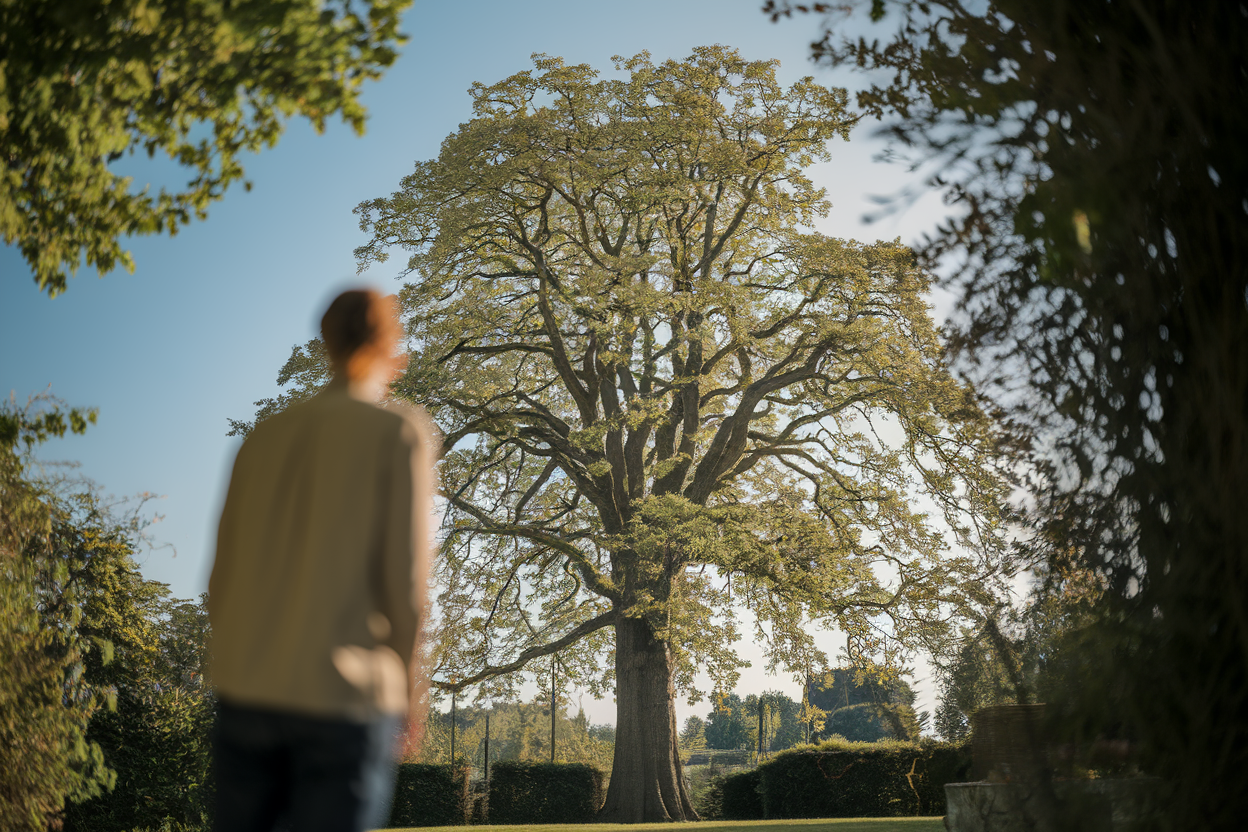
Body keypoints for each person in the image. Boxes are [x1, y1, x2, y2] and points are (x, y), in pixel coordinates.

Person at [207, 289, 437, 832]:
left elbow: (220, 583)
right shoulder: (397, 433)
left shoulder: (261, 437)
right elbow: (404, 589)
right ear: (390, 342)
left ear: (326, 341)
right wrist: (407, 691)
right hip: (342, 700)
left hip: (247, 692)